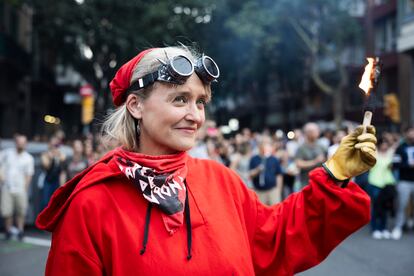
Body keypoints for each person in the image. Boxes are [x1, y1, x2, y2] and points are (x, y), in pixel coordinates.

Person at [36, 46, 376, 275]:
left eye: (200, 102)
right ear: (135, 105)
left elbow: (275, 241)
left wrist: (336, 175)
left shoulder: (220, 179)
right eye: (180, 99)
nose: (194, 115)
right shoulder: (90, 203)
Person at [0, 134, 34, 240]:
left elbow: (29, 174)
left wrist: (25, 188)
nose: (21, 144)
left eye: (23, 142)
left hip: (21, 188)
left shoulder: (29, 158)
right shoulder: (6, 153)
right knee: (7, 211)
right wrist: (2, 178)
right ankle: (8, 230)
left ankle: (20, 230)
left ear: (26, 144)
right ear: (16, 142)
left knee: (21, 211)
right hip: (7, 187)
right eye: (19, 142)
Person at [367, 138, 396, 239]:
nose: (385, 146)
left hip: (387, 183)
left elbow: (396, 144)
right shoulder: (374, 154)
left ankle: (383, 228)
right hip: (375, 183)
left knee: (385, 208)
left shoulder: (390, 155)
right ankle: (375, 228)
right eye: (383, 144)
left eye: (386, 144)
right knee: (376, 207)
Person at [391, 125, 414, 240]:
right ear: (406, 133)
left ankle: (410, 221)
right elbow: (395, 165)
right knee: (402, 204)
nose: (413, 134)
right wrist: (408, 165)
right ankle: (398, 226)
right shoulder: (401, 148)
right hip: (404, 181)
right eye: (411, 132)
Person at [249, 137, 284, 205]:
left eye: (268, 144)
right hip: (259, 191)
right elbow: (250, 175)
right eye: (264, 144)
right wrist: (257, 170)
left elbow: (279, 175)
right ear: (260, 145)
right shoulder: (254, 159)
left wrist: (278, 190)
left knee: (275, 211)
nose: (267, 146)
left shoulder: (274, 159)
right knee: (260, 213)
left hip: (272, 191)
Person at [295, 123, 326, 188]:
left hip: (321, 181)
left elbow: (328, 161)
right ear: (307, 133)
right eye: (314, 131)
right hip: (307, 182)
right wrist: (315, 161)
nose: (317, 132)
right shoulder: (301, 148)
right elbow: (299, 164)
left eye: (317, 130)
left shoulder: (322, 146)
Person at [40, 136, 66, 209]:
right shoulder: (45, 154)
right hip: (48, 181)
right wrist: (52, 158)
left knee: (57, 202)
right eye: (53, 145)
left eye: (56, 145)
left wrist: (62, 186)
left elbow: (62, 172)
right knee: (45, 203)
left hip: (57, 181)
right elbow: (46, 166)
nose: (55, 148)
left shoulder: (61, 155)